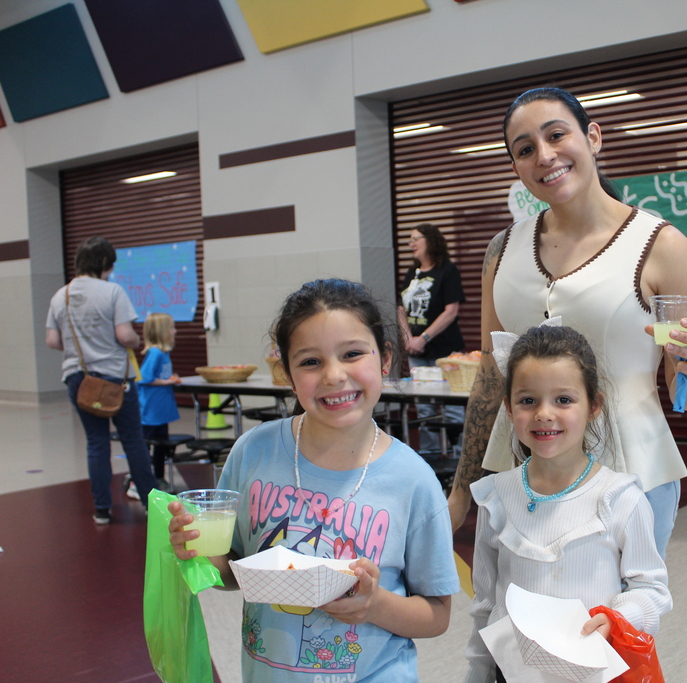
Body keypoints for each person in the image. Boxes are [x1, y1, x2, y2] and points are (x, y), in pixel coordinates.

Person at [448, 87, 687, 557]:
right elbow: (492, 376)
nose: (545, 156)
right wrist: (460, 490)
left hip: (631, 473)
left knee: (614, 622)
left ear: (592, 137)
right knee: (520, 617)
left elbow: (686, 395)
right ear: (515, 167)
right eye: (525, 149)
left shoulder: (662, 246)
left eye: (557, 135)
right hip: (523, 471)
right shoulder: (501, 251)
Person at [168, 278, 460, 682]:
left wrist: (374, 605)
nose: (334, 375)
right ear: (286, 373)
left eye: (353, 353)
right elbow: (232, 572)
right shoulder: (253, 453)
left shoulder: (413, 480)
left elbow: (438, 614)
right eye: (310, 361)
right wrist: (197, 553)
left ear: (385, 358)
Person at [464, 324, 670, 682]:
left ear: (594, 406)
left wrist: (617, 616)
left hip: (588, 671)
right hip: (511, 673)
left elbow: (652, 591)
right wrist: (477, 673)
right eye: (528, 400)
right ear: (509, 409)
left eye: (563, 399)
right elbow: (485, 603)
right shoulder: (496, 495)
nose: (544, 414)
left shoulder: (620, 499)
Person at [45, 236, 160, 524]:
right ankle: (150, 503)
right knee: (133, 440)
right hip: (115, 380)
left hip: (78, 379)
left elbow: (52, 340)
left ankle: (102, 510)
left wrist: (79, 348)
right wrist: (136, 340)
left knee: (96, 443)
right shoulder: (112, 291)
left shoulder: (61, 295)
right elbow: (124, 336)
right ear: (104, 265)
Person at [397, 222, 467, 456]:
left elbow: (451, 310)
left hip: (445, 350)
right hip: (416, 352)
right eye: (409, 239)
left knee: (453, 408)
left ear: (431, 241)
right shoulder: (411, 273)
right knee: (423, 406)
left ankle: (458, 455)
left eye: (416, 238)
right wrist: (408, 337)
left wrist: (423, 337)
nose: (411, 244)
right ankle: (431, 454)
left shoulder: (447, 271)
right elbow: (401, 308)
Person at [138, 313, 181, 490]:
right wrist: (167, 382)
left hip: (161, 411)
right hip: (151, 412)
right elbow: (144, 378)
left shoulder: (164, 353)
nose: (175, 331)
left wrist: (169, 378)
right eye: (171, 328)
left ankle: (159, 476)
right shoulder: (155, 353)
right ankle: (142, 477)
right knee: (148, 445)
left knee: (161, 446)